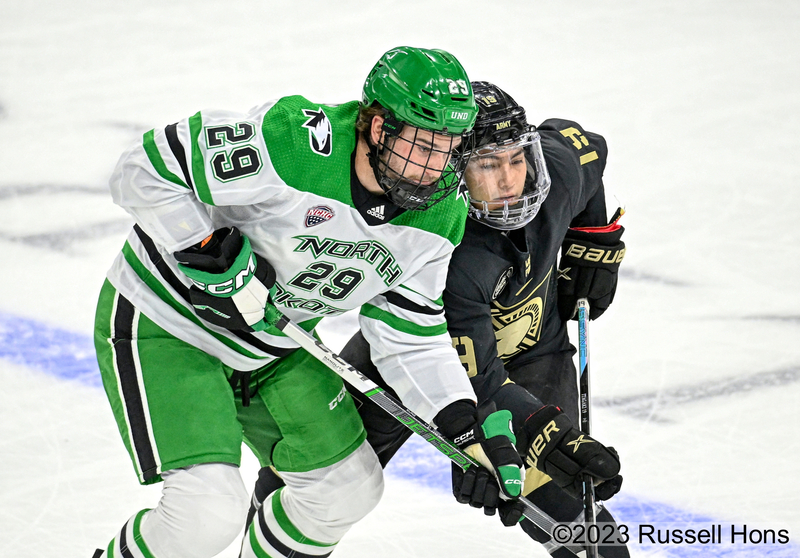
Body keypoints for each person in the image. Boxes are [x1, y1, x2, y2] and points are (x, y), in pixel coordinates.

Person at [91, 49, 528, 558]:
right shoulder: (295, 143)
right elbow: (141, 169)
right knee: (206, 514)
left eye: (450, 149)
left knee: (348, 489)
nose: (436, 169)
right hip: (169, 325)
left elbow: (410, 334)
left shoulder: (439, 215)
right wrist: (202, 245)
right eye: (424, 146)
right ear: (378, 125)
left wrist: (462, 424)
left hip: (274, 344)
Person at [246, 81, 630, 557]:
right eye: (487, 165)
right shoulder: (436, 244)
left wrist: (595, 236)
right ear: (448, 171)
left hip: (535, 355)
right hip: (407, 357)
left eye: (516, 158)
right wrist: (492, 443)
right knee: (308, 475)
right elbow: (481, 383)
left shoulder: (557, 176)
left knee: (569, 500)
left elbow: (588, 147)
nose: (511, 181)